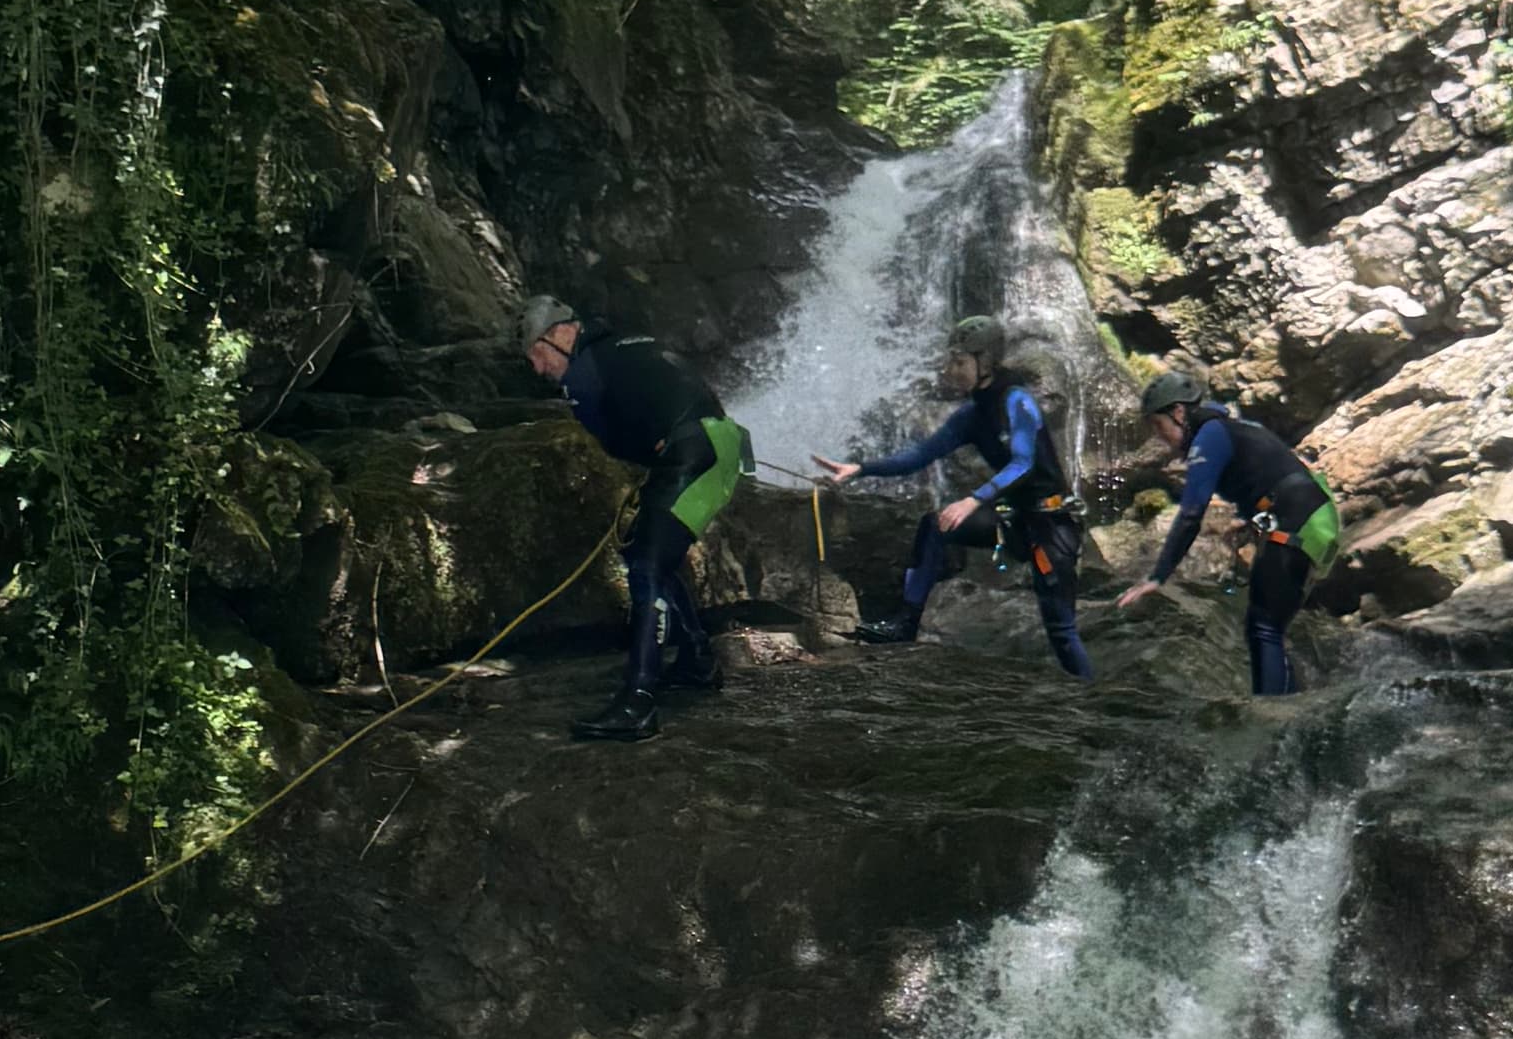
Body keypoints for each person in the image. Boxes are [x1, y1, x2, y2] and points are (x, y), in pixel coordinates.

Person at [521, 294, 751, 746]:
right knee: (649, 554)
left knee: (646, 563)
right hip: (718, 444)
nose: (537, 367)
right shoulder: (620, 344)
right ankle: (697, 662)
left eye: (537, 353)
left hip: (695, 451)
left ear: (561, 334)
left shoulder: (585, 370)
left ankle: (638, 702)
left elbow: (610, 442)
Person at [816, 313, 1092, 678]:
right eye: (950, 360)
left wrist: (973, 499)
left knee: (1060, 627)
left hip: (1052, 523)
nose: (950, 369)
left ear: (987, 362)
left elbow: (1023, 463)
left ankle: (1089, 693)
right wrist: (860, 469)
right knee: (936, 526)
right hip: (1016, 520)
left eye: (960, 362)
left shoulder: (1018, 401)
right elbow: (919, 455)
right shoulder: (971, 416)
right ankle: (905, 624)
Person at [1130, 367, 1341, 696]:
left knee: (1262, 626)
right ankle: (1292, 707)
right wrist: (1248, 521)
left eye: (1159, 426)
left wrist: (1158, 577)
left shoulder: (1209, 436)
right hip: (1314, 516)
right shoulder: (1231, 426)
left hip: (1300, 520)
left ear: (1179, 412)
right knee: (1270, 624)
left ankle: (1269, 712)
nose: (1159, 437)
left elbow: (1190, 513)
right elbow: (1264, 471)